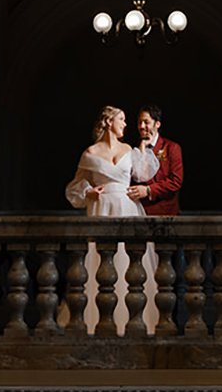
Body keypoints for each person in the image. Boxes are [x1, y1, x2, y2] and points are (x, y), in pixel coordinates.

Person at [65, 105, 160, 333]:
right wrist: (88, 192)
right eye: (122, 119)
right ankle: (97, 319)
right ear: (109, 122)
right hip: (103, 207)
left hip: (127, 207)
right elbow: (75, 186)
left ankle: (135, 318)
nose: (126, 124)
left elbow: (145, 174)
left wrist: (144, 148)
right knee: (102, 260)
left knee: (128, 261)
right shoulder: (90, 154)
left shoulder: (129, 150)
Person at [128, 104, 183, 214]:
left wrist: (149, 190)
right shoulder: (131, 149)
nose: (142, 126)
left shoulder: (171, 148)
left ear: (157, 124)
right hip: (136, 211)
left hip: (164, 213)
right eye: (139, 122)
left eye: (146, 122)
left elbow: (175, 181)